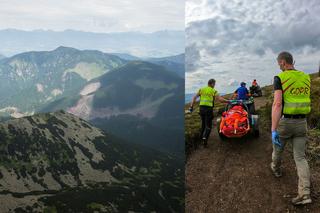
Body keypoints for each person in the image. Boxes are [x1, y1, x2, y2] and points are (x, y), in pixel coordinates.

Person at [271, 51, 312, 205]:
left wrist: (273, 129)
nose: (278, 66)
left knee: (278, 149)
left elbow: (277, 104)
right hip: (302, 123)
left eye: (278, 63)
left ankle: (276, 169)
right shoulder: (306, 77)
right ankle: (305, 194)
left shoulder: (280, 77)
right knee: (300, 158)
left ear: (283, 62)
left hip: (286, 123)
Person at [189, 79, 228, 147]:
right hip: (208, 109)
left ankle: (201, 138)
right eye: (214, 84)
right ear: (212, 84)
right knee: (208, 125)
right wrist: (228, 101)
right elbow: (220, 100)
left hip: (201, 109)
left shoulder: (202, 89)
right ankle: (205, 138)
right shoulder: (213, 91)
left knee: (203, 123)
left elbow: (194, 97)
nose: (214, 85)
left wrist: (191, 106)